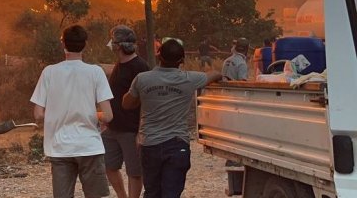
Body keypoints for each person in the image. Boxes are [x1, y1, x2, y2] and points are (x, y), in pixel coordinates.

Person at [122, 38, 223, 198]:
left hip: (149, 144)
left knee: (152, 192)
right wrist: (219, 75)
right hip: (177, 145)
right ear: (182, 60)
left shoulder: (142, 79)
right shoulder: (190, 79)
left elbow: (126, 104)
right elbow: (214, 74)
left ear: (158, 56)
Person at [31, 24, 115, 198]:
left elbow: (38, 114)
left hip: (60, 148)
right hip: (90, 146)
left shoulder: (49, 72)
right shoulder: (95, 72)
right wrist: (93, 115)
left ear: (63, 44)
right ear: (85, 45)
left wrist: (57, 114)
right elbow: (108, 115)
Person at [103, 25, 150, 198]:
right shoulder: (120, 64)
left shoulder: (140, 67)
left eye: (114, 41)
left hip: (131, 130)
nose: (111, 45)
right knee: (108, 164)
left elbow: (146, 102)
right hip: (113, 127)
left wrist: (141, 131)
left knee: (134, 171)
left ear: (120, 45)